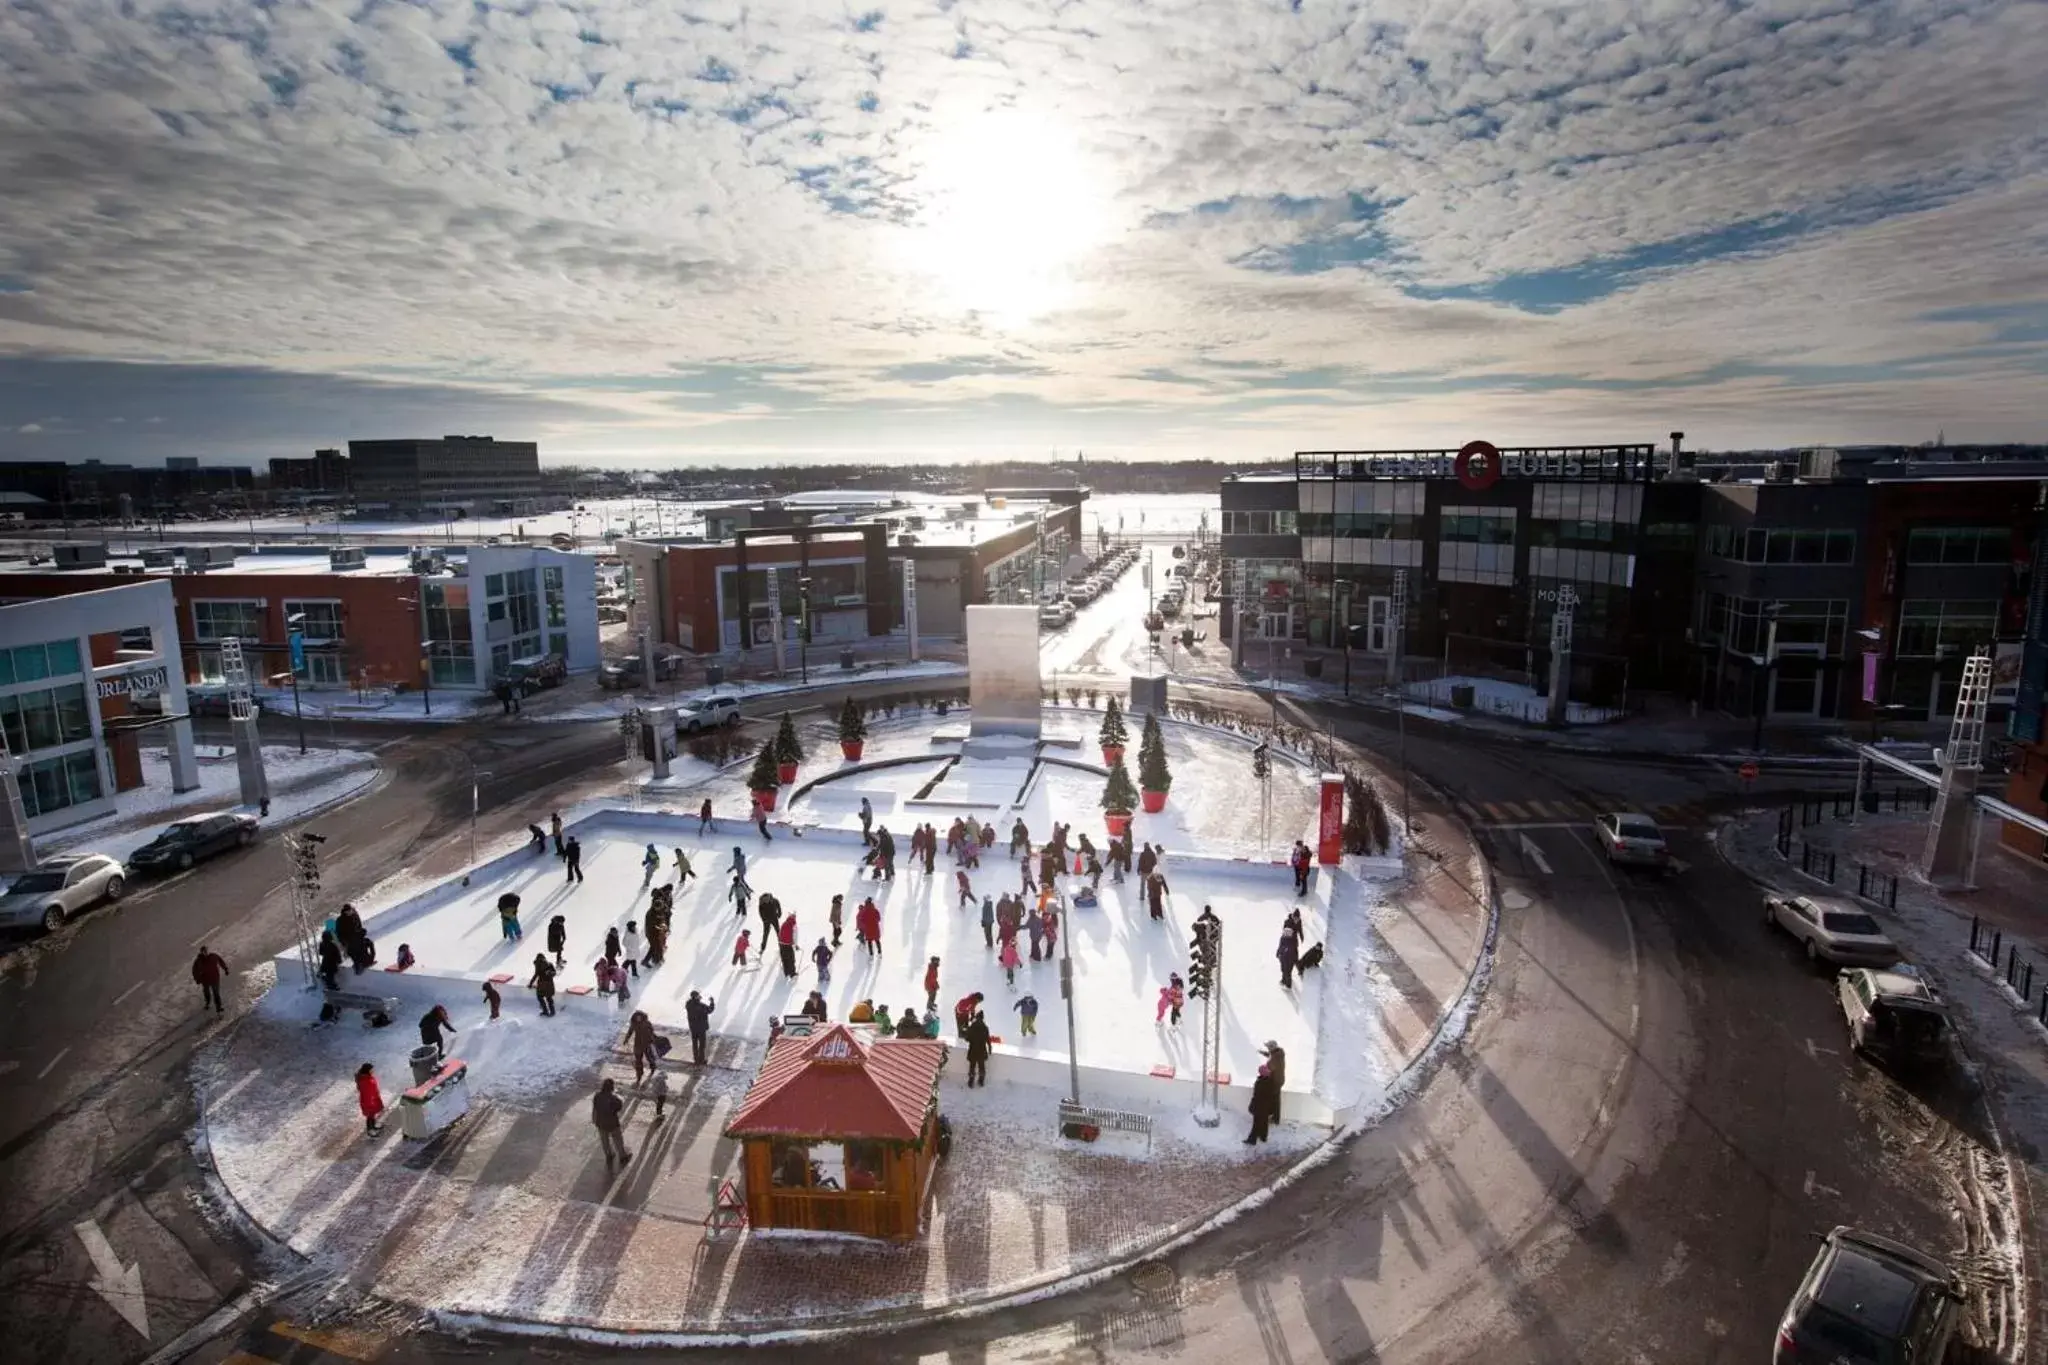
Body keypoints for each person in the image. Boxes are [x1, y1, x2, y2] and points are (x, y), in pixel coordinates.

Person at [591, 1078, 630, 1167]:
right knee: (618, 1140)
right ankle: (622, 1156)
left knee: (604, 1140)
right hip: (612, 1123)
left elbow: (595, 1108)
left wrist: (594, 1119)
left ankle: (609, 1154)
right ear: (612, 1087)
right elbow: (619, 1107)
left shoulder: (597, 1096)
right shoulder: (613, 1099)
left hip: (600, 1122)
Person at [1246, 1063, 1279, 1144]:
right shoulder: (1270, 1082)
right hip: (1266, 1107)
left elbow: (1256, 1096)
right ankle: (1263, 1137)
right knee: (1264, 1122)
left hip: (1259, 1106)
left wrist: (1252, 1105)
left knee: (1256, 1123)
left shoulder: (1260, 1083)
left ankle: (1252, 1140)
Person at [191, 946, 228, 1015]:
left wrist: (225, 969)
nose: (205, 952)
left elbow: (220, 961)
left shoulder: (213, 956)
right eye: (203, 951)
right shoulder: (198, 961)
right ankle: (207, 1002)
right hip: (205, 981)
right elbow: (194, 971)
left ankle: (219, 1008)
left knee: (216, 993)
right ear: (201, 952)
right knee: (206, 992)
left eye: (206, 951)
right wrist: (197, 979)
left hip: (215, 979)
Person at [628, 1009, 658, 1084]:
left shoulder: (647, 1023)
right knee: (638, 1061)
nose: (638, 1019)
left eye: (639, 1017)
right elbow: (630, 1031)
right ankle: (639, 1074)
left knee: (649, 1057)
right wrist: (626, 1039)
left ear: (642, 1017)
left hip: (646, 1044)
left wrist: (652, 1040)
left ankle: (653, 1066)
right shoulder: (634, 1023)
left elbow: (651, 1031)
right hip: (637, 1044)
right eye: (637, 1017)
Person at [964, 1010, 992, 1088]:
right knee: (981, 1066)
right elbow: (988, 1040)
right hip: (982, 1050)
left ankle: (971, 1081)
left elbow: (967, 1039)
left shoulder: (972, 1027)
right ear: (982, 1018)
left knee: (972, 1066)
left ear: (976, 1017)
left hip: (973, 1050)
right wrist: (990, 1049)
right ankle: (981, 1081)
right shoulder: (985, 1028)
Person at [1261, 1041, 1288, 1122]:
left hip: (1276, 1081)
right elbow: (1271, 1055)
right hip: (1279, 1079)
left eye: (1268, 1047)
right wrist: (1264, 1053)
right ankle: (1274, 1117)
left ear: (1272, 1048)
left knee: (1274, 1100)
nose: (1268, 1049)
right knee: (1275, 1099)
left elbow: (1269, 1067)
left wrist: (1263, 1068)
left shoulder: (1275, 1058)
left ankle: (1275, 1118)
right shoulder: (1278, 1053)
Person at [355, 1062, 385, 1136]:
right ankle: (370, 1130)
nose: (373, 1071)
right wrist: (371, 1102)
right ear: (367, 1070)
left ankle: (373, 1127)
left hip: (372, 1099)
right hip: (369, 1101)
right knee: (370, 1116)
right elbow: (367, 1094)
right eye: (371, 1069)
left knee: (372, 1114)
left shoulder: (368, 1077)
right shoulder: (365, 1081)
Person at [777, 912, 799, 980]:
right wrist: (795, 945)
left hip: (781, 943)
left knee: (784, 959)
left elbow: (780, 932)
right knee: (791, 959)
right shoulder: (793, 924)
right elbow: (795, 936)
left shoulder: (784, 923)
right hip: (787, 944)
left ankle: (786, 972)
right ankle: (792, 974)